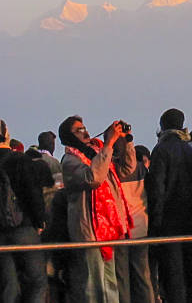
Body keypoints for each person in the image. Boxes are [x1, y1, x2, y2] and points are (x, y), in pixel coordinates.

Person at [59, 115, 135, 303]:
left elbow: (127, 169)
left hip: (107, 228)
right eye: (79, 130)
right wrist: (109, 144)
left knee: (110, 284)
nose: (85, 132)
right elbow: (93, 178)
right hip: (89, 230)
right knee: (93, 286)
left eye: (85, 128)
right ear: (68, 137)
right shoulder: (70, 160)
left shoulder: (97, 153)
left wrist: (125, 141)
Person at [147, 108, 192, 303]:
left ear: (162, 126)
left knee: (173, 274)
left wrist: (155, 221)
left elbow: (156, 190)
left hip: (168, 220)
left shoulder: (160, 150)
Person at [0, 119, 49, 303]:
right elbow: (32, 193)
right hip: (23, 227)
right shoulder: (19, 160)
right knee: (36, 281)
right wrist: (40, 221)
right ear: (6, 135)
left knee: (8, 285)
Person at [114, 138, 155, 303]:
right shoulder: (142, 170)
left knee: (122, 277)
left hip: (120, 229)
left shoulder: (111, 170)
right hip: (140, 226)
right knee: (143, 275)